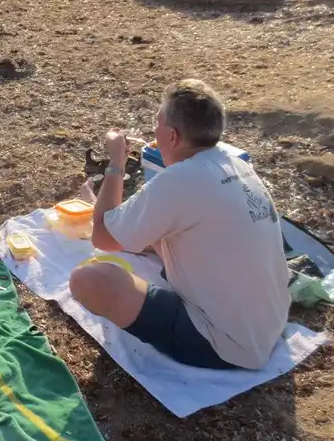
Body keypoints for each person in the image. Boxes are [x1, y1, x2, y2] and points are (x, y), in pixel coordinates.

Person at [68, 80, 290, 371]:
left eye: (157, 124)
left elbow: (103, 237)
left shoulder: (180, 179)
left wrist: (115, 163)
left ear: (172, 136)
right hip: (270, 324)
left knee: (88, 280)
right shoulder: (237, 164)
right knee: (156, 242)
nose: (154, 133)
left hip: (221, 345)